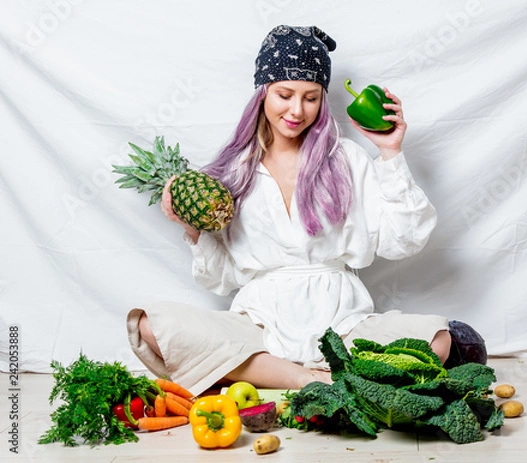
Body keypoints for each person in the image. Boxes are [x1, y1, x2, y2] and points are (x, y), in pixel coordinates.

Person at [126, 25, 486, 396]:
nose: (297, 110)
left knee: (438, 338)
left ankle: (280, 375)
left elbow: (403, 241)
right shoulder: (232, 171)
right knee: (150, 325)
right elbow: (220, 279)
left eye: (311, 98)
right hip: (259, 327)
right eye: (284, 94)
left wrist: (390, 152)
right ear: (262, 93)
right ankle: (305, 378)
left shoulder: (345, 159)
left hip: (343, 326)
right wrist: (194, 231)